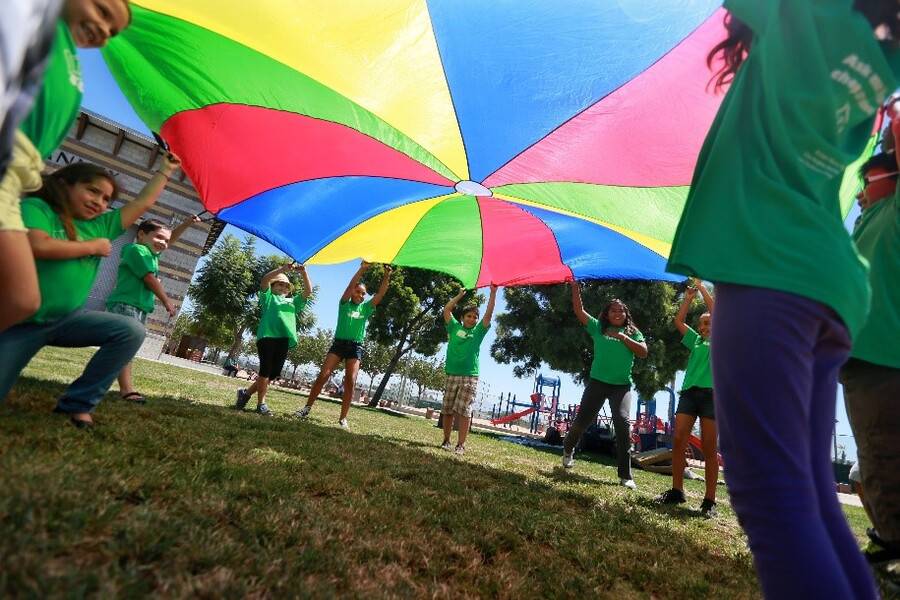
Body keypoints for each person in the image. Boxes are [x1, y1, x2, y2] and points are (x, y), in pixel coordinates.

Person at [665, 2, 900, 597]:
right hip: (827, 278)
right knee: (810, 494)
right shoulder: (879, 57)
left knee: (769, 494)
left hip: (770, 265)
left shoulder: (804, 14)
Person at [0, 154, 180, 428]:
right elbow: (37, 245)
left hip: (66, 321)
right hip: (18, 323)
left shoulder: (101, 226)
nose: (100, 202)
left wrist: (166, 170)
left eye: (107, 199)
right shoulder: (38, 208)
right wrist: (92, 247)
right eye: (93, 191)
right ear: (64, 185)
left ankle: (79, 404)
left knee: (130, 330)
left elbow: (143, 202)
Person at [0, 0, 131, 332]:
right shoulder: (32, 20)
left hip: (12, 181)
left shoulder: (70, 59)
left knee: (21, 298)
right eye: (102, 11)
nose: (104, 30)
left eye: (112, 31)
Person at [841, 135, 900, 568]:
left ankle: (894, 547)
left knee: (881, 452)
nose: (859, 190)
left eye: (868, 178)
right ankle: (886, 540)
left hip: (884, 359)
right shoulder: (867, 222)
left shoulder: (894, 212)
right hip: (859, 360)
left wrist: (894, 122)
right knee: (872, 451)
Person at [106, 214, 200, 403]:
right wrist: (166, 301)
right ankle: (126, 389)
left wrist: (187, 223)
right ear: (141, 234)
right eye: (158, 238)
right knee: (124, 348)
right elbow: (149, 279)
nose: (163, 243)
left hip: (137, 307)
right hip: (127, 305)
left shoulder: (150, 253)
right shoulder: (137, 250)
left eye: (165, 240)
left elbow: (170, 239)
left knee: (124, 349)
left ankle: (119, 385)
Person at [562, 283, 647, 489]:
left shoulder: (632, 332)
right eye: (613, 310)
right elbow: (578, 311)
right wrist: (575, 288)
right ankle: (568, 449)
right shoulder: (598, 328)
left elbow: (643, 352)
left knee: (622, 422)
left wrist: (623, 337)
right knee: (583, 421)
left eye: (621, 311)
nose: (617, 313)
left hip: (621, 387)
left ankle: (625, 475)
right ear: (606, 314)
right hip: (598, 383)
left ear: (626, 314)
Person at [295, 262, 391, 429]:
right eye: (358, 291)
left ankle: (343, 418)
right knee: (323, 375)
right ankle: (306, 408)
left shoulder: (366, 308)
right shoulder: (344, 303)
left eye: (364, 294)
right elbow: (349, 286)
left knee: (351, 380)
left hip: (355, 347)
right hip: (339, 344)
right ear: (352, 291)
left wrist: (386, 275)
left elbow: (381, 294)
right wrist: (362, 269)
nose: (361, 295)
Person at [656, 279, 718, 518]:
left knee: (710, 449)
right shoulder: (696, 341)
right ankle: (677, 490)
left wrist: (702, 288)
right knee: (680, 439)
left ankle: (710, 501)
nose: (705, 327)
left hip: (712, 396)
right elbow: (678, 321)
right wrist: (688, 298)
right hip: (690, 395)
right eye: (702, 324)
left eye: (709, 323)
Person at [235, 263, 312, 416]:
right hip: (267, 336)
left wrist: (304, 273)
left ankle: (246, 393)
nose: (283, 288)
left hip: (284, 339)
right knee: (265, 370)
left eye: (286, 286)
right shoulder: (268, 298)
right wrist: (282, 270)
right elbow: (264, 280)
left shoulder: (293, 303)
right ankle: (261, 404)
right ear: (273, 286)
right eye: (279, 285)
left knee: (273, 373)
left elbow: (308, 292)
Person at [439, 284, 498, 455]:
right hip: (451, 374)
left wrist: (493, 293)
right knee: (448, 410)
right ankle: (446, 441)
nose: (472, 319)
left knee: (464, 412)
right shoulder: (454, 327)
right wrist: (459, 295)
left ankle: (461, 445)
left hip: (469, 377)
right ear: (463, 317)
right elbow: (447, 309)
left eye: (474, 317)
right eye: (469, 316)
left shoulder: (479, 331)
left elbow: (488, 315)